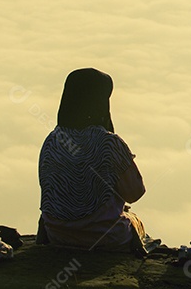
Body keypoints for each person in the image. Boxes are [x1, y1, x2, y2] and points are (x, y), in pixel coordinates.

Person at [37, 68, 148, 254]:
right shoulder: (109, 143)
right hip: (105, 237)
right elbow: (135, 193)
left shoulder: (52, 141)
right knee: (134, 220)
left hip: (57, 235)